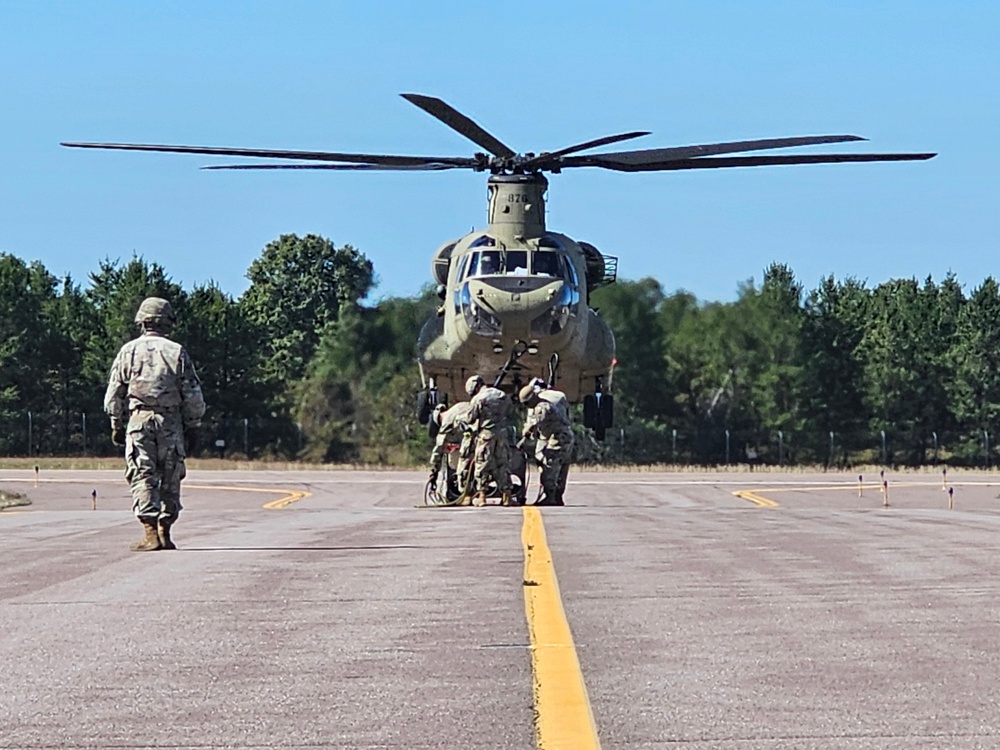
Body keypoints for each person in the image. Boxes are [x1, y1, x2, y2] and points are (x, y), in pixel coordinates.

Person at [105, 297, 206, 551]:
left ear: (142, 321)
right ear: (167, 322)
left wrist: (116, 423)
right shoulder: (176, 351)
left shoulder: (128, 351)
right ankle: (165, 530)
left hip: (139, 420)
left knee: (142, 473)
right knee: (171, 474)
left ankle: (149, 532)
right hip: (170, 421)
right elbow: (192, 393)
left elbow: (115, 391)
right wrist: (193, 425)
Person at [519, 382, 574, 506]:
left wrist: (527, 432)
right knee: (561, 468)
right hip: (565, 435)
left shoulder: (541, 408)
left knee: (549, 467)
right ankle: (557, 497)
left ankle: (551, 497)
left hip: (557, 438)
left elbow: (533, 426)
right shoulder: (553, 399)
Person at [465, 374, 514, 506]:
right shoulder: (502, 395)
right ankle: (507, 496)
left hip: (486, 435)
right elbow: (510, 411)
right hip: (502, 434)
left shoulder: (478, 398)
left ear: (475, 388)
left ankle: (482, 496)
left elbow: (470, 418)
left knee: (482, 464)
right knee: (503, 464)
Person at [428, 401, 474, 504]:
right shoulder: (460, 406)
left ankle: (466, 496)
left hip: (473, 441)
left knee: (462, 466)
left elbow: (439, 448)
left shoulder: (446, 421)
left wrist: (435, 469)